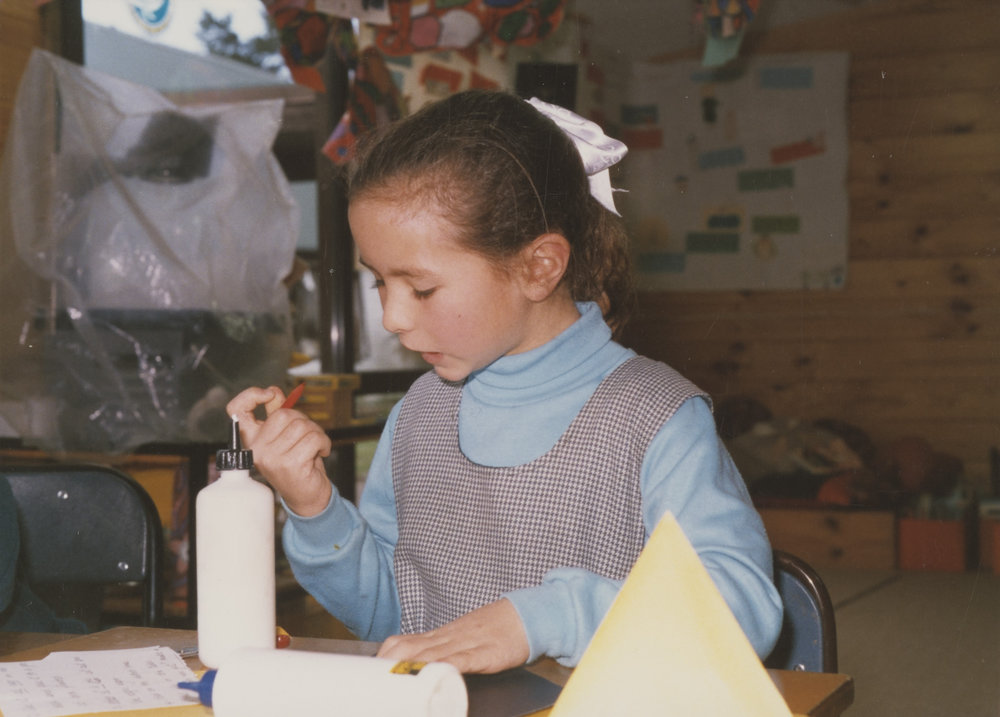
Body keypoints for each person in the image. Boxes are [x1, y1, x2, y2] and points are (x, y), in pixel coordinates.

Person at [228, 89, 783, 675]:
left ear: (538, 267)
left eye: (420, 288)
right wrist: (313, 506)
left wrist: (550, 616)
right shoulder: (420, 413)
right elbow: (393, 617)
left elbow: (744, 613)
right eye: (379, 284)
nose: (393, 318)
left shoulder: (655, 417)